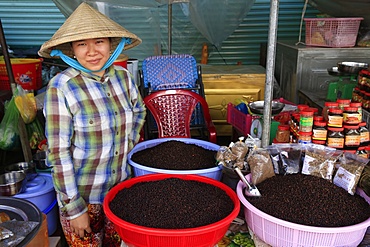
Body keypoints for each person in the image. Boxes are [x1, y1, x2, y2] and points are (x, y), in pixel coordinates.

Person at [38, 2, 146, 246]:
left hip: (121, 191)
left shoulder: (123, 78)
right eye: (82, 44)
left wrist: (128, 141)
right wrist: (75, 209)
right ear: (72, 51)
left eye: (99, 42)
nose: (92, 51)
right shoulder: (61, 87)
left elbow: (139, 110)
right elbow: (57, 153)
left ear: (111, 45)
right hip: (83, 197)